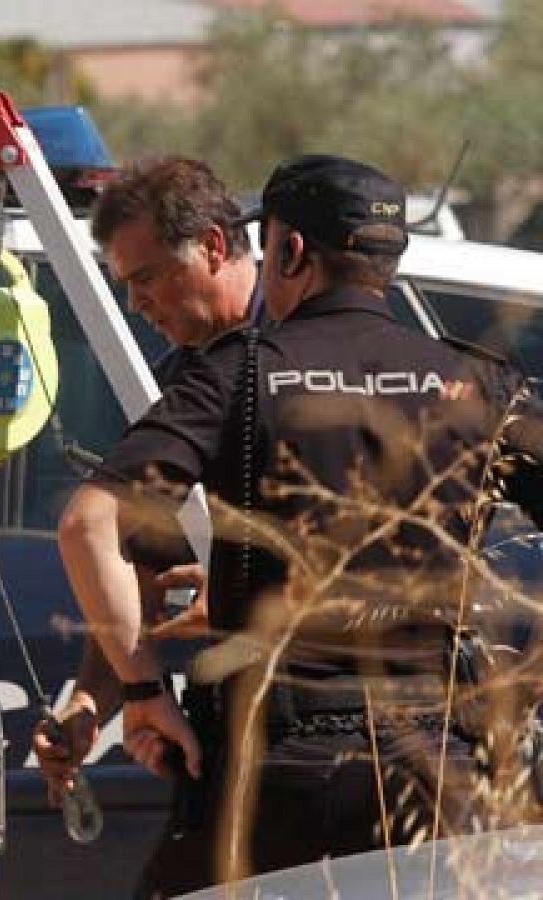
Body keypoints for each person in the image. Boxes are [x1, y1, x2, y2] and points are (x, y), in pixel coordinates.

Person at [57, 153, 543, 895]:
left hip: (275, 770)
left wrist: (144, 689)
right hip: (432, 767)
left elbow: (89, 526)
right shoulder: (475, 378)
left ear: (287, 251)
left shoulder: (238, 374)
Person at [31, 157, 255, 820]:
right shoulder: (179, 377)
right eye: (125, 284)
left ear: (214, 246)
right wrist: (92, 703)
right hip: (236, 727)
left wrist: (254, 587)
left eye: (148, 276)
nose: (137, 303)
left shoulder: (308, 350)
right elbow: (143, 564)